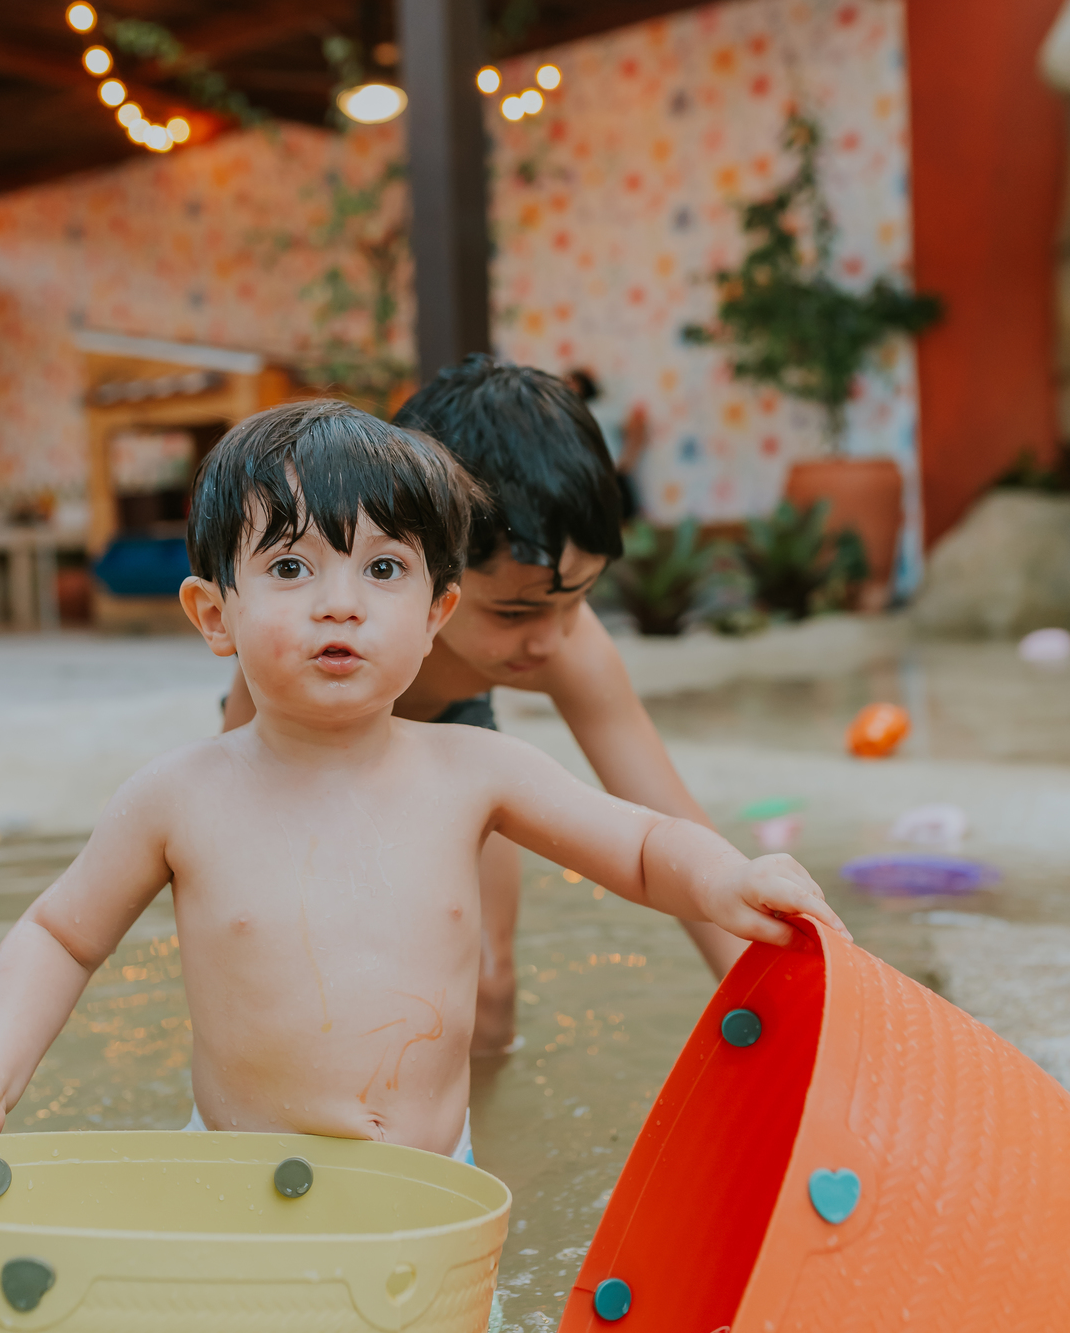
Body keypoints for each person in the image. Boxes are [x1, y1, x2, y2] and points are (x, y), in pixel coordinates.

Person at [0, 402, 846, 1168]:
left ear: (437, 612)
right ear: (214, 616)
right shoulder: (178, 797)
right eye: (293, 566)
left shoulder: (478, 772)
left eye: (383, 568)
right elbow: (59, 934)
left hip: (430, 1190)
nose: (340, 600)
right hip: (231, 1181)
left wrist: (727, 879)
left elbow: (639, 845)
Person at [222, 358, 743, 1057]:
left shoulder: (566, 644)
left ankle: (474, 1151)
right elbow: (233, 808)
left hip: (459, 742)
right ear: (423, 572)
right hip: (314, 750)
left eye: (579, 598)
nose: (551, 637)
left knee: (486, 984)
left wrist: (764, 981)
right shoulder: (322, 641)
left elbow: (667, 820)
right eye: (518, 609)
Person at [564, 366, 649, 522]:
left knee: (622, 521)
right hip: (582, 478)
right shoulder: (565, 414)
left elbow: (637, 423)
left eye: (572, 384)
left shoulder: (601, 408)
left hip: (609, 474)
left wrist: (628, 458)